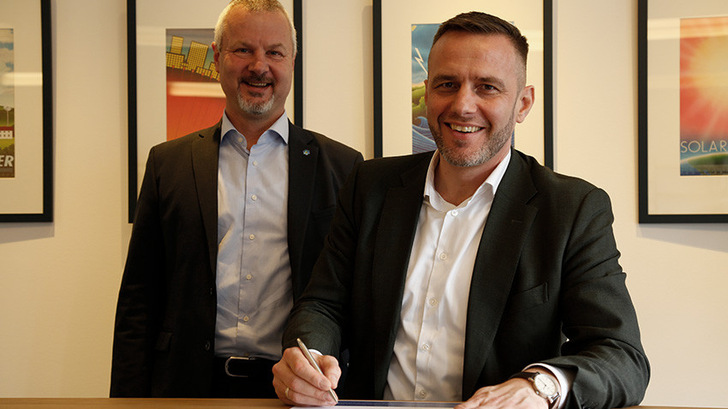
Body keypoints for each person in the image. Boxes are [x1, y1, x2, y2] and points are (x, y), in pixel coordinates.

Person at [272, 11, 649, 409]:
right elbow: (323, 304)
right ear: (427, 91)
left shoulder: (572, 209)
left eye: (487, 87)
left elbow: (622, 356)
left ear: (523, 103)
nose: (462, 105)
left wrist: (539, 387)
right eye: (447, 84)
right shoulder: (370, 187)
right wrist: (308, 358)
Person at [110, 0, 362, 398]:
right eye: (243, 49)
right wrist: (125, 401)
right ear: (216, 57)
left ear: (292, 61)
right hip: (186, 386)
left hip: (297, 389)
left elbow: (349, 298)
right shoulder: (167, 163)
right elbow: (139, 301)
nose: (259, 66)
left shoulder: (343, 167)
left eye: (274, 52)